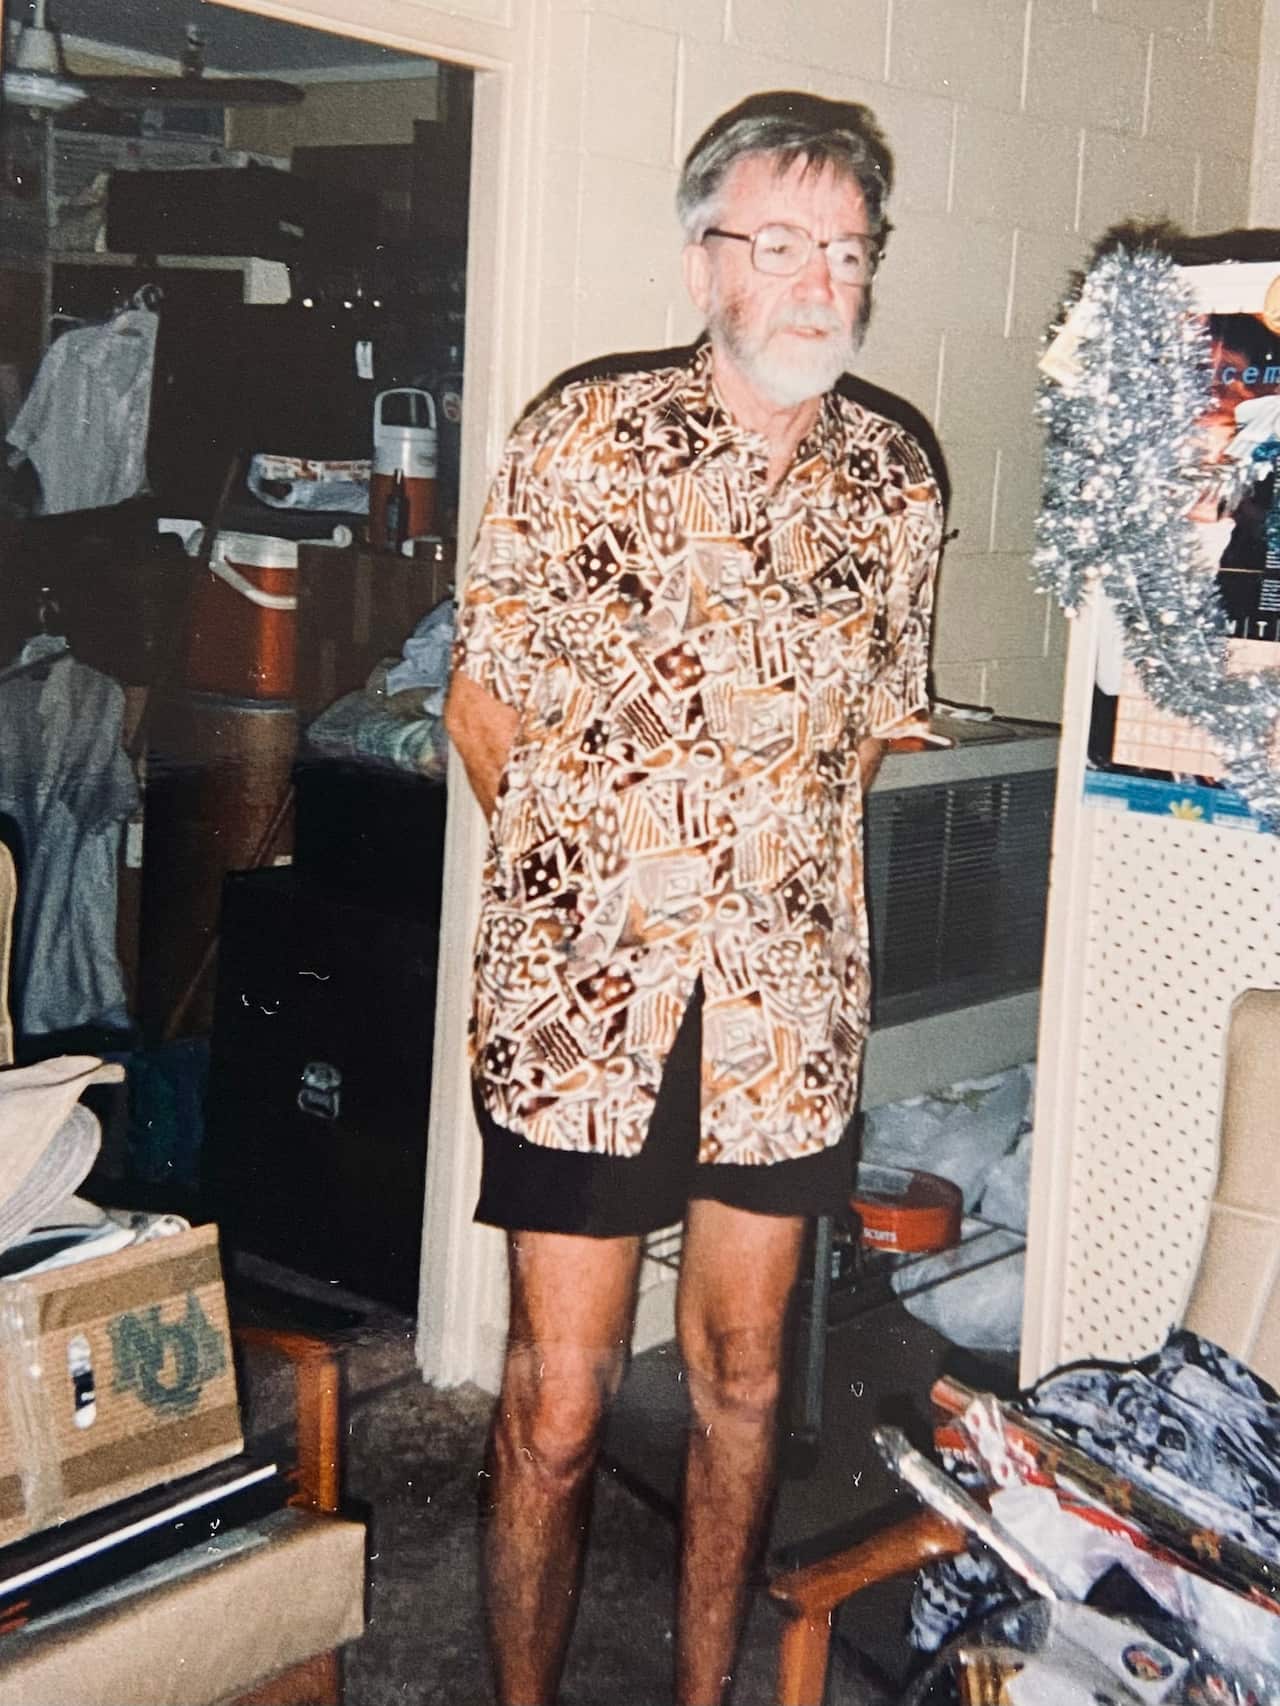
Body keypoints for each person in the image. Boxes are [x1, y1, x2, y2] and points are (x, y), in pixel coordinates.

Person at [444, 89, 943, 1706]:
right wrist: (589, 885)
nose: (821, 282)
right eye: (781, 244)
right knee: (565, 1395)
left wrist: (766, 880)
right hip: (585, 1006)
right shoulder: (580, 436)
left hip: (786, 1009)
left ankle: (706, 1690)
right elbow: (482, 700)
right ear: (702, 263)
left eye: (847, 251)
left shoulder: (897, 484)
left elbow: (870, 735)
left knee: (739, 1378)